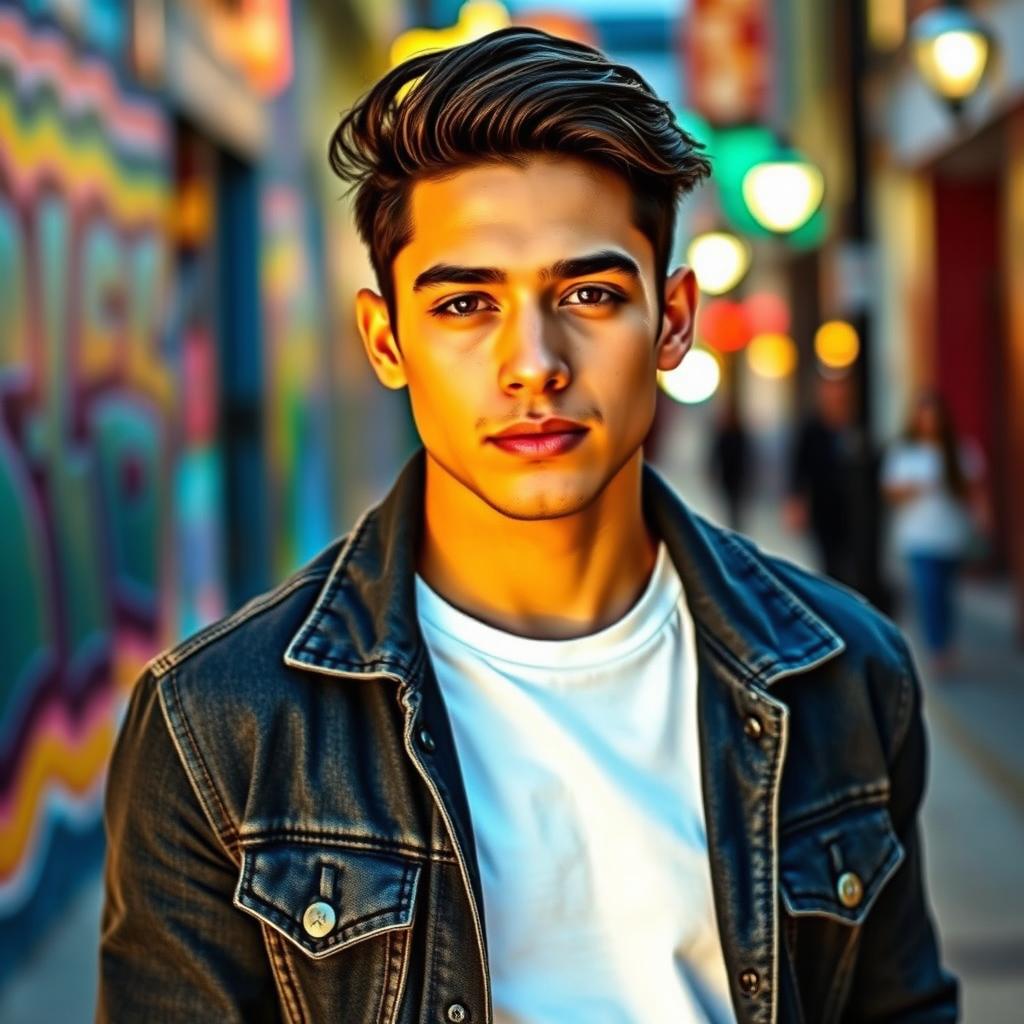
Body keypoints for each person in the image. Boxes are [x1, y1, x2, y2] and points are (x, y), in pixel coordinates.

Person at [98, 29, 957, 1023]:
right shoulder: (221, 728)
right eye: (465, 303)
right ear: (387, 340)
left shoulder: (845, 675)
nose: (534, 363)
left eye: (587, 294)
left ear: (671, 319)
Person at [882, 393, 987, 674]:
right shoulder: (905, 452)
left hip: (950, 535)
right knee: (928, 592)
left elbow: (975, 489)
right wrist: (915, 487)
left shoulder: (960, 451)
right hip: (918, 537)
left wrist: (981, 519)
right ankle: (936, 647)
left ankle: (946, 642)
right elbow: (890, 491)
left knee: (946, 593)